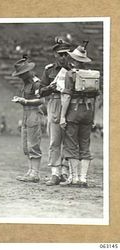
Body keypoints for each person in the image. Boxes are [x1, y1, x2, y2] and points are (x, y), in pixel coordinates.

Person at [59, 41, 99, 187]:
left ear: (74, 60)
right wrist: (92, 117)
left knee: (71, 144)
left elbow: (67, 97)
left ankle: (74, 178)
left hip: (74, 112)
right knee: (85, 144)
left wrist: (63, 116)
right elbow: (95, 97)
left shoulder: (70, 74)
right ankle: (83, 178)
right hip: (88, 112)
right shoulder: (92, 74)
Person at [38, 39, 72, 186]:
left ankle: (65, 172)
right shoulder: (49, 70)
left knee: (69, 140)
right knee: (54, 140)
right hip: (54, 102)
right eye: (60, 54)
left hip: (71, 104)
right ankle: (55, 173)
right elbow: (40, 91)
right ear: (55, 55)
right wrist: (50, 88)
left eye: (66, 54)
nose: (63, 57)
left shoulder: (73, 69)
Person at [11, 56, 45, 183]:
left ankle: (35, 173)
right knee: (26, 145)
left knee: (33, 144)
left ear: (27, 72)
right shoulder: (26, 84)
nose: (20, 77)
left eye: (22, 74)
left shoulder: (36, 83)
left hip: (34, 114)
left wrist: (25, 101)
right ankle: (30, 171)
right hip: (25, 114)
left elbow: (41, 100)